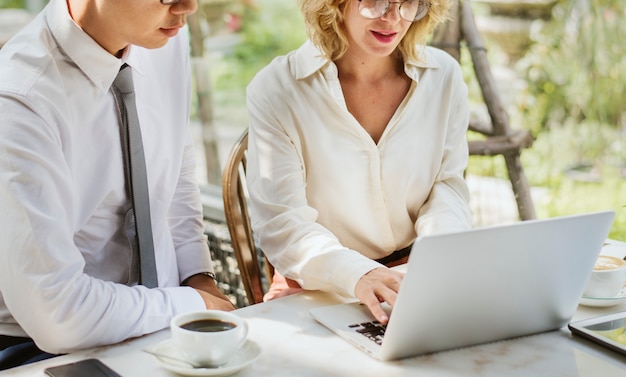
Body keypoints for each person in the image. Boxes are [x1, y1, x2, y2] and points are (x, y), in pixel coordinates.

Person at [0, 0, 235, 370]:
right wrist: (193, 303)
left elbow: (177, 162)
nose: (187, 7)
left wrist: (199, 277)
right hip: (45, 350)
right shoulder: (18, 100)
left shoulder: (164, 38)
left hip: (167, 318)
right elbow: (58, 314)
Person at [246, 0, 473, 324]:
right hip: (322, 282)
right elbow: (285, 226)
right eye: (377, 0)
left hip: (415, 274)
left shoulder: (443, 77)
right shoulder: (277, 89)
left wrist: (438, 255)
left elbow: (447, 185)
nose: (393, 18)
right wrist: (358, 273)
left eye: (408, 2)